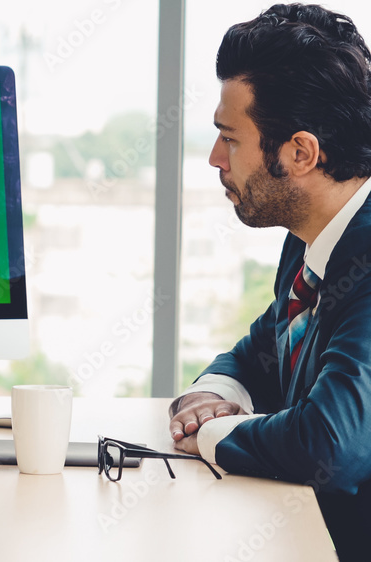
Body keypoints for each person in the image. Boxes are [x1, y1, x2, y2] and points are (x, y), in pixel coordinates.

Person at [167, 4, 371, 558]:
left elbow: (330, 444)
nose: (215, 160)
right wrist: (213, 395)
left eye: (229, 139)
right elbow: (261, 352)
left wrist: (208, 436)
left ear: (300, 153)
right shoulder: (313, 238)